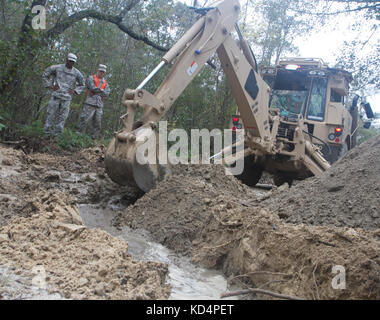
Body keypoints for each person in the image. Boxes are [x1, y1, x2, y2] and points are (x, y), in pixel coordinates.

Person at [42, 53, 85, 137]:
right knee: (50, 115)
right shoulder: (57, 68)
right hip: (56, 95)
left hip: (66, 98)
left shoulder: (76, 72)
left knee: (62, 118)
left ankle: (57, 136)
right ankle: (46, 134)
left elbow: (82, 84)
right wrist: (50, 85)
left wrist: (75, 91)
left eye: (73, 62)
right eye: (70, 61)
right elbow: (45, 74)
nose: (71, 63)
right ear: (66, 60)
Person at [76, 64, 110, 139]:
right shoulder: (91, 78)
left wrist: (99, 91)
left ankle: (94, 139)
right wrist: (101, 91)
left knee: (98, 123)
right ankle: (78, 137)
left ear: (105, 73)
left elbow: (107, 92)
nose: (101, 73)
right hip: (90, 103)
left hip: (99, 105)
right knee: (84, 119)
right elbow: (92, 88)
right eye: (100, 71)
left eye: (103, 72)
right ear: (98, 70)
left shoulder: (105, 82)